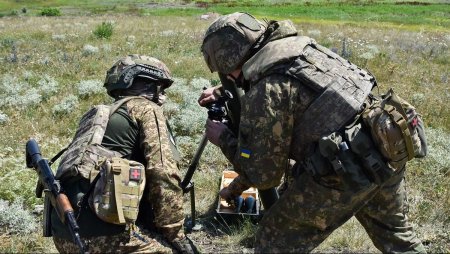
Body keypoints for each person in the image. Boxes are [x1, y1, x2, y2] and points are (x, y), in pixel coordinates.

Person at [200, 12, 427, 253]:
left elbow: (264, 174)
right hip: (385, 148)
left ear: (229, 62)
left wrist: (223, 137)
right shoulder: (302, 50)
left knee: (273, 242)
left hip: (343, 170)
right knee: (397, 237)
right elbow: (299, 89)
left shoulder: (267, 89)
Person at [51, 54, 197, 253]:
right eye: (160, 88)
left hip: (64, 233)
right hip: (106, 235)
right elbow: (163, 173)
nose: (162, 95)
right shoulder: (146, 109)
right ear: (151, 85)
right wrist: (176, 235)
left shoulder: (99, 115)